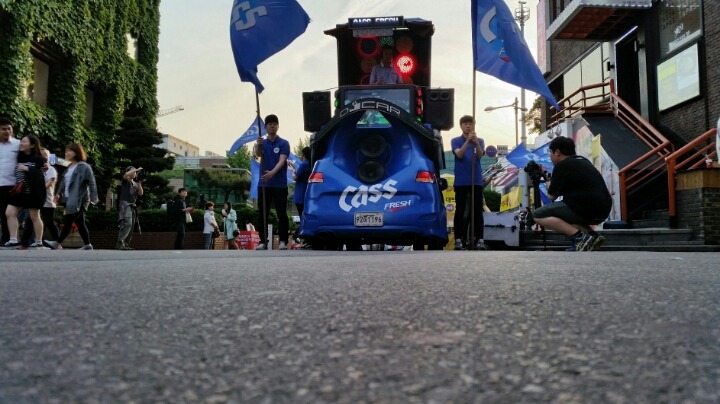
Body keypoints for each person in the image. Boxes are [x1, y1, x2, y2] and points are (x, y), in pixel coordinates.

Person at [532, 136, 612, 251]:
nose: (550, 157)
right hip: (603, 209)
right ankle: (593, 236)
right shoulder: (583, 160)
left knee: (538, 215)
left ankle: (579, 238)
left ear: (557, 152)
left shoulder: (561, 165)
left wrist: (549, 186)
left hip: (586, 207)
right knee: (567, 215)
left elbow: (551, 196)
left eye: (551, 153)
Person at [43, 143, 99, 250]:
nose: (67, 153)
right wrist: (58, 194)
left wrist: (94, 197)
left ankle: (57, 242)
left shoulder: (84, 167)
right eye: (66, 151)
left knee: (68, 221)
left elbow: (91, 182)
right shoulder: (69, 166)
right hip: (69, 199)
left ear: (77, 152)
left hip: (79, 199)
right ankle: (88, 245)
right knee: (80, 223)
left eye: (70, 151)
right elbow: (64, 182)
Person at [253, 114, 290, 250]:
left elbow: (282, 161)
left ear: (278, 126)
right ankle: (263, 241)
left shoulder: (284, 143)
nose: (272, 126)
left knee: (282, 213)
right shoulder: (262, 143)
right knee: (263, 214)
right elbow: (258, 155)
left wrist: (272, 173)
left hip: (280, 184)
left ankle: (283, 241)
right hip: (264, 184)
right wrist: (258, 145)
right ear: (265, 127)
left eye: (275, 124)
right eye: (270, 124)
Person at [3, 135, 47, 248]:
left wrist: (28, 169)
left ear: (32, 145)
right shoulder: (19, 157)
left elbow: (40, 174)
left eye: (24, 142)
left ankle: (38, 241)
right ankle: (13, 239)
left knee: (34, 216)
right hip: (20, 191)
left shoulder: (38, 159)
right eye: (21, 141)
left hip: (33, 192)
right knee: (9, 212)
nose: (21, 144)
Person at [451, 115, 487, 250]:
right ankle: (459, 239)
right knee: (460, 210)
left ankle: (479, 239)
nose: (468, 126)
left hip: (476, 180)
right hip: (461, 181)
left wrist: (476, 142)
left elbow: (480, 156)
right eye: (465, 124)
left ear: (474, 125)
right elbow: (459, 154)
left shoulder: (480, 141)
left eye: (470, 123)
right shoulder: (455, 140)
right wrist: (467, 141)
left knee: (477, 210)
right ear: (461, 126)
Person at [0, 117, 20, 245]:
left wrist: (45, 164)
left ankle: (9, 239)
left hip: (12, 184)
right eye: (3, 129)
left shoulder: (18, 144)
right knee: (3, 212)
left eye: (9, 129)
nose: (7, 131)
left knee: (8, 213)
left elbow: (34, 154)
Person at [116, 166, 144, 250]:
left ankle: (126, 244)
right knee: (127, 223)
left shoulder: (135, 183)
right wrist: (137, 169)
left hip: (132, 206)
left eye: (135, 172)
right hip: (125, 205)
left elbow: (141, 193)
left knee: (131, 226)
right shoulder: (125, 181)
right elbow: (125, 175)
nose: (135, 173)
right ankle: (120, 243)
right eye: (133, 171)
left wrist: (139, 183)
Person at [288, 146, 311, 248]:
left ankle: (300, 236)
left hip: (300, 195)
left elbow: (295, 177)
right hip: (307, 194)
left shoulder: (304, 164)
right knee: (305, 217)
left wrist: (293, 172)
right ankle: (305, 239)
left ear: (303, 154)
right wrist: (293, 166)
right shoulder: (310, 164)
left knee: (302, 218)